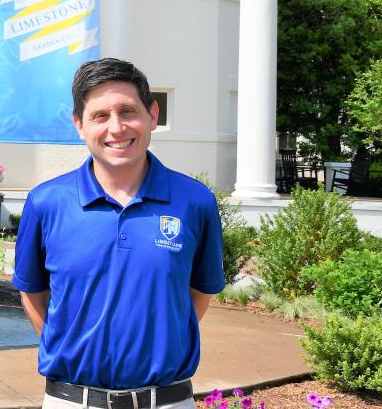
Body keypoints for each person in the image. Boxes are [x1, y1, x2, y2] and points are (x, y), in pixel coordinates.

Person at [12, 58, 225, 409]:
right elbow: (33, 293)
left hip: (167, 401)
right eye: (100, 116)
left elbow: (198, 293)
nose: (116, 128)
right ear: (79, 125)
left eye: (128, 111)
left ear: (152, 115)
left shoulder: (195, 202)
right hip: (71, 401)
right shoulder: (46, 202)